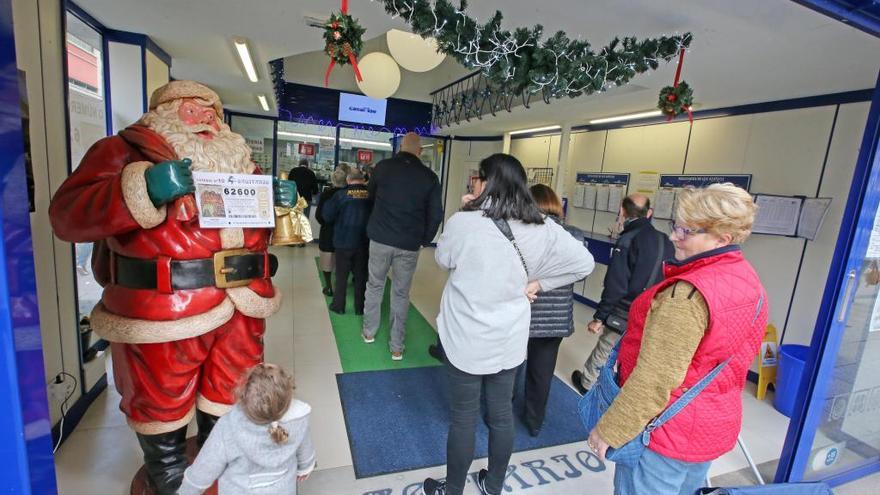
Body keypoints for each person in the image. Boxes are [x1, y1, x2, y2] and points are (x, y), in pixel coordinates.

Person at [48, 81, 293, 494]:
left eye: (211, 113)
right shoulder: (120, 151)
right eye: (192, 111)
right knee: (160, 397)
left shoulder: (240, 163)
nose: (205, 121)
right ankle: (169, 476)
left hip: (242, 304)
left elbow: (249, 229)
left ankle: (219, 459)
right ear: (165, 113)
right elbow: (66, 215)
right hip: (166, 306)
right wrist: (143, 190)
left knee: (232, 389)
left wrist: (274, 200)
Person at [423, 154, 594, 495]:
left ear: (487, 182)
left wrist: (464, 210)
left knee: (464, 418)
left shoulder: (464, 222)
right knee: (501, 416)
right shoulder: (543, 227)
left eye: (477, 178)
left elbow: (442, 258)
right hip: (509, 339)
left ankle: (453, 489)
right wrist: (540, 283)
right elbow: (584, 264)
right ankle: (494, 485)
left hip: (466, 338)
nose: (473, 182)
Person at [587, 184, 768, 495]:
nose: (674, 237)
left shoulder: (685, 296)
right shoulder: (747, 279)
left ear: (722, 238)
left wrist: (610, 430)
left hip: (665, 434)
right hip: (708, 425)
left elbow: (654, 379)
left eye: (686, 231)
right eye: (676, 227)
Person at [571, 193, 674, 394]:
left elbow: (615, 285)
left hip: (626, 309)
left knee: (607, 347)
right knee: (634, 352)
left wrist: (599, 317)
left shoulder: (628, 239)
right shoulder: (665, 241)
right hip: (653, 310)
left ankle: (587, 383)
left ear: (622, 211)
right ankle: (617, 386)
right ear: (649, 213)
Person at [363, 132, 443, 360]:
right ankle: (396, 347)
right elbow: (436, 214)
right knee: (401, 293)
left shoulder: (382, 168)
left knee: (375, 285)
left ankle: (369, 332)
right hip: (408, 244)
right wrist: (424, 240)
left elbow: (370, 198)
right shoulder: (429, 177)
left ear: (400, 148)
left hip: (380, 238)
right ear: (420, 151)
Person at [178, 363, 316, 495]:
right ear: (288, 397)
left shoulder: (229, 427)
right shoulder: (298, 420)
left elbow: (204, 469)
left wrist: (188, 489)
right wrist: (305, 468)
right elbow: (305, 449)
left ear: (243, 395)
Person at [522, 184, 588, 437]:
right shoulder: (575, 236)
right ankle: (534, 422)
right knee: (542, 372)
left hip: (524, 313)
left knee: (509, 369)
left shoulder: (523, 235)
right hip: (555, 319)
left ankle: (498, 414)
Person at [322, 169, 372, 315]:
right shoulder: (371, 195)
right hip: (364, 242)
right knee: (361, 276)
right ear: (362, 180)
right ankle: (360, 307)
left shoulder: (340, 195)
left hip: (343, 241)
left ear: (348, 180)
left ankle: (339, 306)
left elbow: (327, 216)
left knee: (341, 276)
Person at [315, 166, 349, 297]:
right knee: (342, 263)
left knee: (326, 262)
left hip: (328, 234)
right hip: (345, 235)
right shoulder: (350, 194)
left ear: (332, 180)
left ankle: (329, 287)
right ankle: (340, 288)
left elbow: (319, 215)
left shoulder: (326, 194)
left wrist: (326, 224)